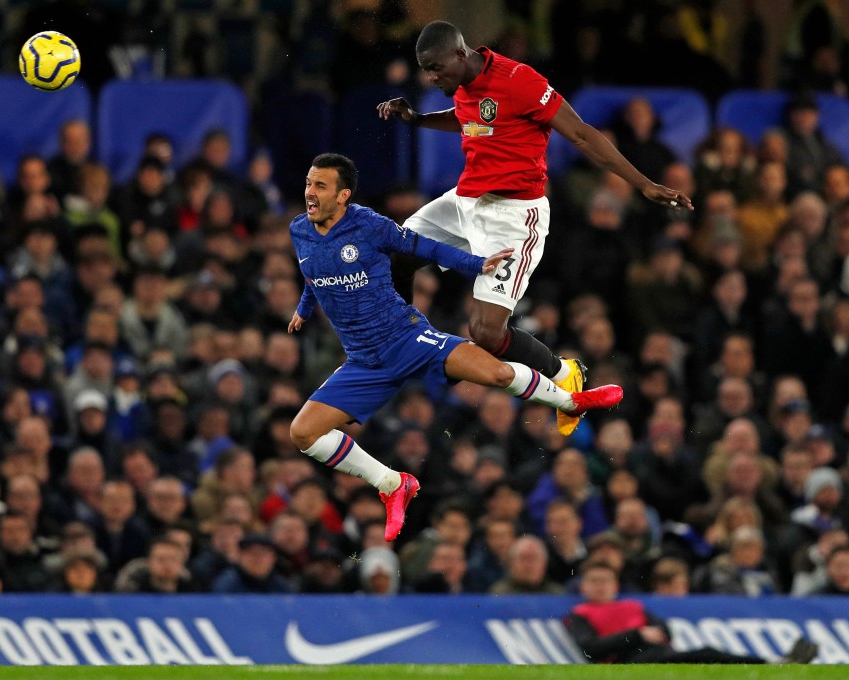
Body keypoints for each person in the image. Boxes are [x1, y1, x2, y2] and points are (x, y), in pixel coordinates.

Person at [377, 20, 691, 435]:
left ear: (459, 53)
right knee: (396, 250)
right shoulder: (464, 85)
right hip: (466, 200)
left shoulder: (518, 80)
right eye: (426, 71)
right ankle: (404, 345)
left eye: (436, 68)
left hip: (512, 215)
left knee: (486, 333)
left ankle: (564, 373)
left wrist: (643, 184)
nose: (431, 78)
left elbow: (581, 134)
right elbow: (468, 118)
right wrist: (417, 119)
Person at [287, 153, 623, 542]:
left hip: (408, 338)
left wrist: (476, 264)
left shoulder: (368, 225)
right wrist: (303, 310)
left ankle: (570, 401)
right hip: (364, 361)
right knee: (303, 433)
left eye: (320, 186)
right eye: (309, 183)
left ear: (343, 195)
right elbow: (313, 273)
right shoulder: (300, 230)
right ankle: (392, 483)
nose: (310, 192)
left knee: (497, 373)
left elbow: (425, 247)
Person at [565, 560, 819, 664]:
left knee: (705, 655)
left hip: (659, 654)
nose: (600, 586)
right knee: (706, 654)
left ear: (615, 585)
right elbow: (590, 648)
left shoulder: (633, 606)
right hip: (628, 662)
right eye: (594, 581)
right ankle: (774, 666)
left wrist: (648, 634)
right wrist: (637, 635)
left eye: (605, 580)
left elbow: (665, 631)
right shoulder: (580, 613)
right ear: (583, 586)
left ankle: (775, 664)